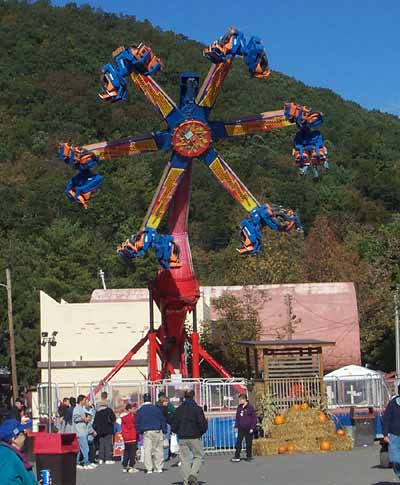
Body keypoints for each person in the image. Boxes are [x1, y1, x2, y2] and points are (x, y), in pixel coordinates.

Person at [171, 389, 208, 485]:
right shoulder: (197, 409)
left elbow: (174, 423)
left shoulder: (179, 409)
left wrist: (176, 431)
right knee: (199, 456)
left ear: (184, 397)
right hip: (195, 436)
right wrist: (202, 432)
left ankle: (186, 481)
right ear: (193, 396)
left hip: (182, 436)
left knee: (184, 459)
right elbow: (202, 423)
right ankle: (193, 474)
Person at [135, 393, 167, 474]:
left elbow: (137, 422)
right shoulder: (156, 408)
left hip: (146, 432)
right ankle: (159, 467)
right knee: (158, 449)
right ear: (150, 399)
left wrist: (139, 432)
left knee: (147, 450)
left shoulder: (141, 410)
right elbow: (162, 419)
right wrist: (164, 431)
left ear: (143, 399)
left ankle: (149, 468)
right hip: (157, 430)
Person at [0, 418, 37, 484]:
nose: (26, 436)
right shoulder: (12, 457)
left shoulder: (3, 451)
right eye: (22, 433)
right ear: (13, 439)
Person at [231, 393, 257, 462]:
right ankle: (237, 456)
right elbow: (237, 417)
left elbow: (254, 418)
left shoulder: (250, 407)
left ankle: (249, 456)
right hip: (241, 428)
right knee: (238, 442)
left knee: (248, 443)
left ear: (244, 399)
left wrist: (252, 427)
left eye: (240, 399)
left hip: (248, 428)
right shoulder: (239, 407)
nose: (239, 401)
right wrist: (236, 426)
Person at [93, 391, 116, 464]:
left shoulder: (98, 411)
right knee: (108, 443)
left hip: (100, 430)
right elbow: (113, 419)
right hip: (108, 428)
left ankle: (101, 458)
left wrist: (95, 429)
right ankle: (108, 459)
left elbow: (95, 421)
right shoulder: (109, 410)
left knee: (101, 443)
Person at [73, 394, 95, 470]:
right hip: (80, 432)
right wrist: (84, 419)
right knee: (85, 448)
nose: (86, 401)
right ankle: (86, 463)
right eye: (85, 400)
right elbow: (76, 418)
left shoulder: (81, 408)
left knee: (79, 449)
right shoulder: (77, 408)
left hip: (81, 431)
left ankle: (77, 462)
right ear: (81, 400)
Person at [383, 384, 400, 480]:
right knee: (395, 460)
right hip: (394, 436)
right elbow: (386, 419)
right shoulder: (393, 403)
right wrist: (385, 434)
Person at [157, 392, 176, 461]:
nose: (167, 403)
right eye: (166, 402)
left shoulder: (156, 406)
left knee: (159, 442)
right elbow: (169, 416)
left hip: (158, 426)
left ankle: (160, 456)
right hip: (165, 425)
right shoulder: (165, 408)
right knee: (166, 441)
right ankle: (165, 456)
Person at [121, 403, 138, 473]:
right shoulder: (133, 417)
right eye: (133, 409)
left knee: (126, 452)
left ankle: (124, 466)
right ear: (129, 409)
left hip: (126, 438)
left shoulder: (123, 418)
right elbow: (136, 426)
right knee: (132, 453)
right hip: (132, 437)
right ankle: (131, 466)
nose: (135, 410)